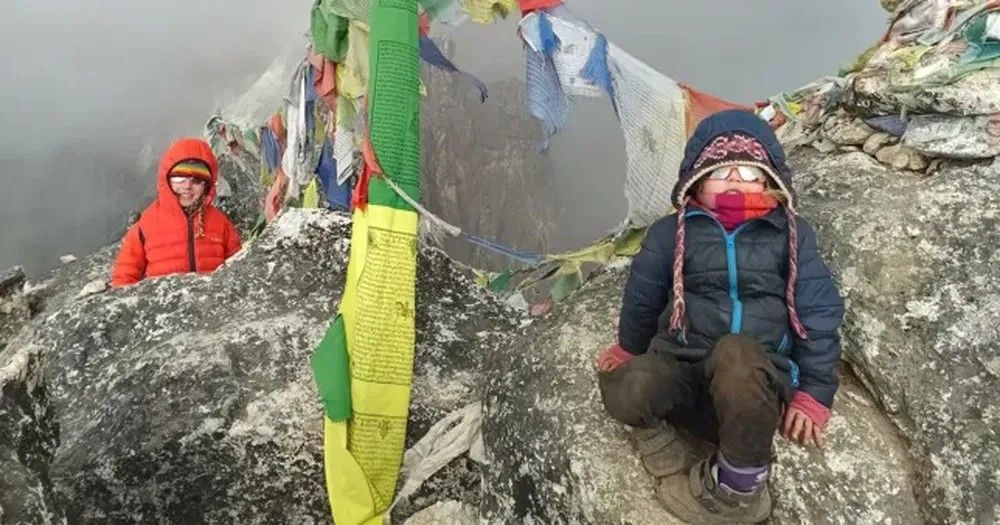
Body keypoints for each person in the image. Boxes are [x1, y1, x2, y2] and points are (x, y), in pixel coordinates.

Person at [596, 109, 844, 524]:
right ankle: (661, 438)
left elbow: (817, 312)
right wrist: (628, 348)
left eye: (749, 172)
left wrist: (815, 392)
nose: (735, 179)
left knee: (736, 353)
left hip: (751, 386)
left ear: (769, 180)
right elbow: (643, 297)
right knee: (629, 383)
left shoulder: (790, 234)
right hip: (683, 368)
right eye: (720, 170)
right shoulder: (670, 233)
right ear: (697, 178)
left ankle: (738, 491)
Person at [111, 138, 241, 287]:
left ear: (208, 185)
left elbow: (238, 269)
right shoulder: (147, 224)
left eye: (197, 181)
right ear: (166, 179)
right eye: (180, 179)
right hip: (164, 301)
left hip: (210, 300)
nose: (187, 186)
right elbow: (125, 274)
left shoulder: (221, 224)